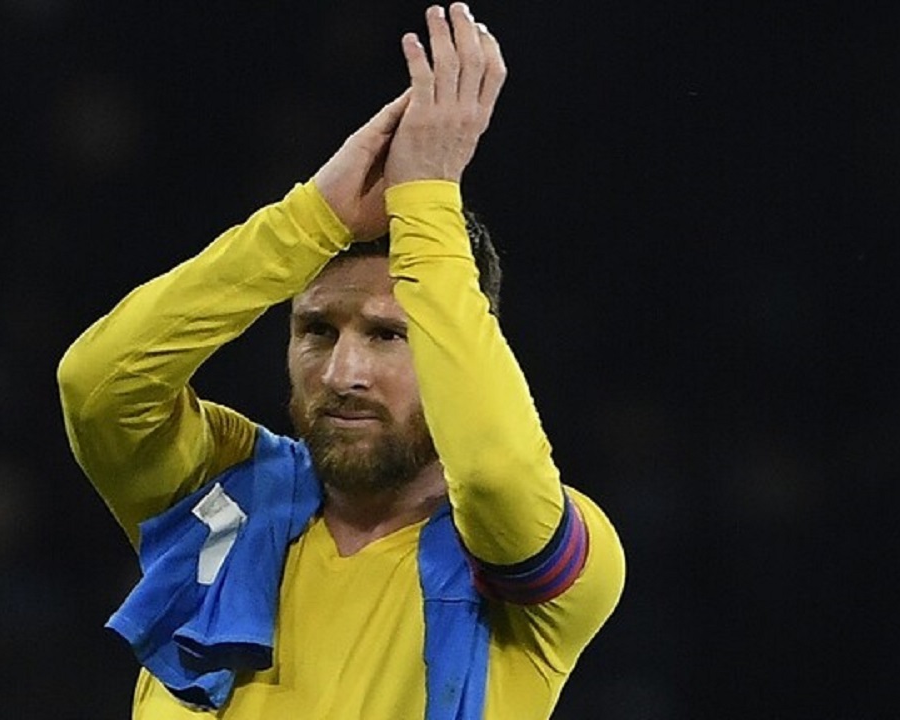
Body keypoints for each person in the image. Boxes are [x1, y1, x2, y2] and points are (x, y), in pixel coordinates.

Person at [56, 4, 626, 718]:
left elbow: (493, 474)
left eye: (389, 336)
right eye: (318, 331)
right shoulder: (223, 496)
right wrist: (312, 218)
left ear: (459, 349)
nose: (342, 374)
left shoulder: (538, 556)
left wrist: (427, 202)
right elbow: (99, 386)